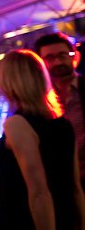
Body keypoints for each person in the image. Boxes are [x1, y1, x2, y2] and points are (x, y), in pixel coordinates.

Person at [0, 49, 85, 230]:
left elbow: (39, 192)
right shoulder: (63, 124)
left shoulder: (17, 124)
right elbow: (75, 188)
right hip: (61, 225)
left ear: (9, 82)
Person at [35, 32, 85, 192]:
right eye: (49, 58)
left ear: (75, 57)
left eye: (62, 55)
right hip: (62, 185)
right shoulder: (38, 101)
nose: (57, 62)